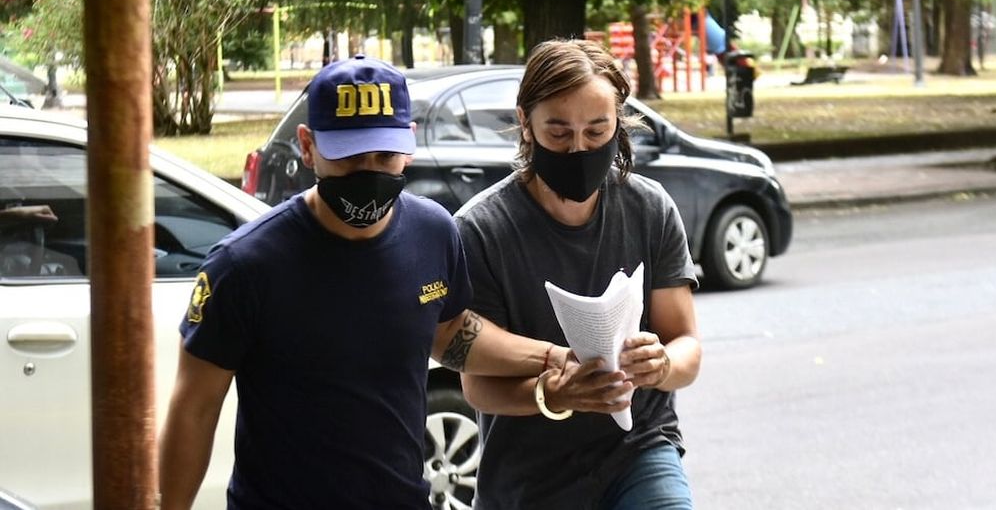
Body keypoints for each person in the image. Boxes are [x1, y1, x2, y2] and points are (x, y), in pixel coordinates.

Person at [158, 55, 569, 510]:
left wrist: (553, 358)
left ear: (409, 144)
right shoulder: (244, 266)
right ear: (308, 147)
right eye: (349, 156)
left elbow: (448, 333)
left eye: (384, 155)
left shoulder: (432, 232)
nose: (368, 172)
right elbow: (194, 408)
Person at [455, 39, 702, 509]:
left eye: (596, 131)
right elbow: (478, 385)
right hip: (530, 477)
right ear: (525, 124)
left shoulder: (650, 208)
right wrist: (554, 392)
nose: (579, 148)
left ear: (618, 121)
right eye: (559, 133)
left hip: (639, 449)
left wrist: (661, 365)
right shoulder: (481, 230)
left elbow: (686, 344)